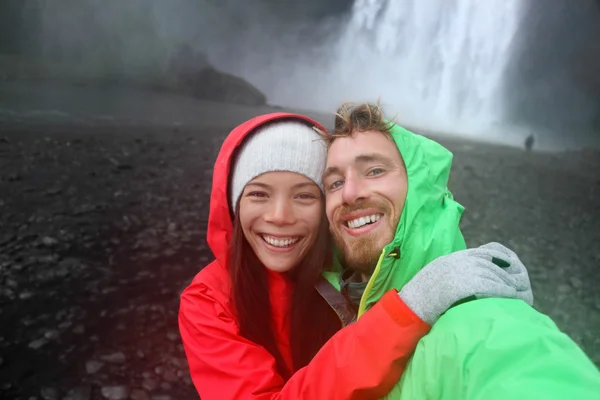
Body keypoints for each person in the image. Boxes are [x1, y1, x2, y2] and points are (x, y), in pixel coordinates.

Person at [178, 113, 534, 399]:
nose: (280, 216)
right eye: (258, 195)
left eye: (305, 195)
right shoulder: (208, 302)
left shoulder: (354, 264)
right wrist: (409, 308)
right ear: (233, 206)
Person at [319, 102, 600, 399]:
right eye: (335, 182)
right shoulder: (318, 308)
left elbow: (521, 366)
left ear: (420, 189)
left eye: (374, 171)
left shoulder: (480, 320)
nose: (349, 193)